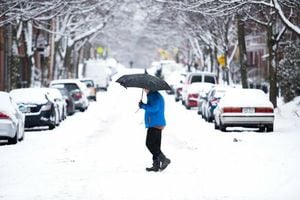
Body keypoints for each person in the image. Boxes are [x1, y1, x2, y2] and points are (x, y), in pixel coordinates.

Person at [139, 88, 171, 172]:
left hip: (155, 123)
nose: (144, 89)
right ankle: (156, 165)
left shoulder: (154, 96)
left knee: (149, 144)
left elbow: (154, 108)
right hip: (156, 122)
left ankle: (163, 159)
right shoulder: (154, 95)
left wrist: (143, 106)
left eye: (145, 88)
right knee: (156, 145)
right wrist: (143, 105)